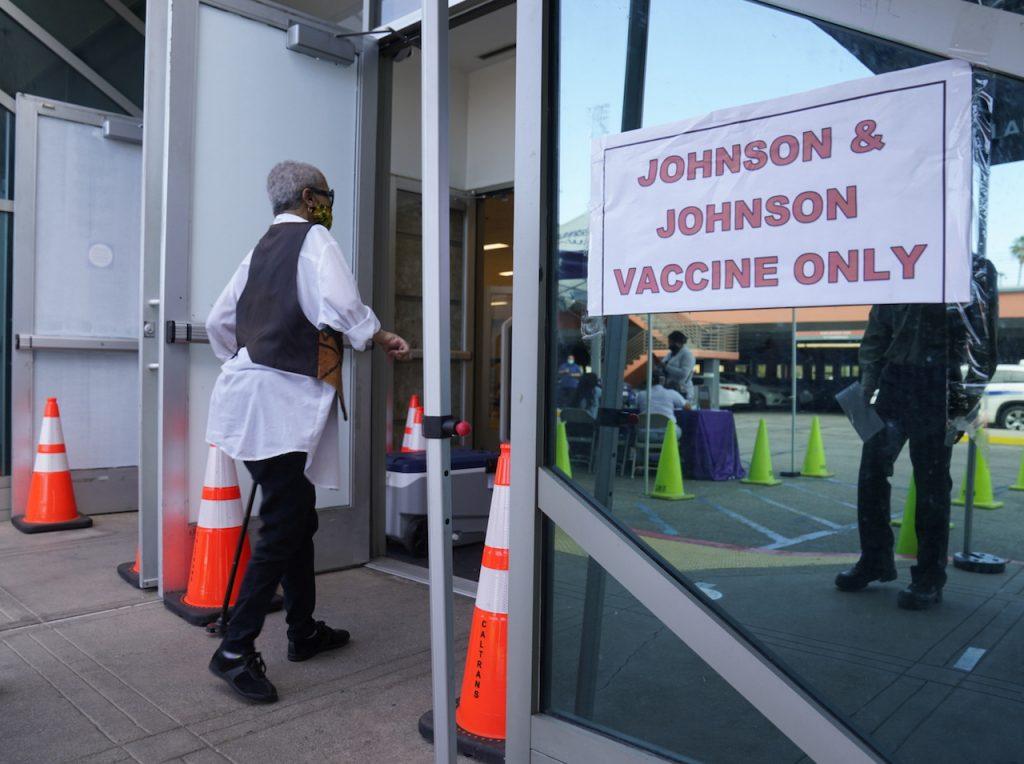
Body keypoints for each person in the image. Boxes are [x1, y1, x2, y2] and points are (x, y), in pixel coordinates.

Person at [205, 161, 410, 702]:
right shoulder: (313, 239)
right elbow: (342, 305)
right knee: (283, 524)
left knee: (296, 516)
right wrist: (378, 334)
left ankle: (303, 630)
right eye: (326, 194)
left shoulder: (258, 251)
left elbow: (217, 323)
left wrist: (250, 361)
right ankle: (234, 649)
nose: (328, 204)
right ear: (307, 196)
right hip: (282, 406)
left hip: (247, 400)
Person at [835, 304, 958, 610]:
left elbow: (982, 345)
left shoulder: (964, 273)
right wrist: (867, 385)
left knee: (932, 486)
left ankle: (930, 576)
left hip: (939, 382)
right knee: (871, 473)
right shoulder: (901, 274)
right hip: (895, 382)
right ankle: (875, 559)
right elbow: (876, 337)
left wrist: (964, 404)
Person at [635, 371, 687, 435]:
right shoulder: (671, 393)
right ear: (663, 380)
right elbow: (688, 407)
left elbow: (637, 406)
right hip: (668, 434)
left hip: (644, 435)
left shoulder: (641, 394)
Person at [660, 331, 696, 404]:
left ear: (678, 343)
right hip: (669, 389)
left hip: (682, 390)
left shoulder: (687, 355)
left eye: (670, 343)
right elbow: (663, 365)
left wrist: (666, 367)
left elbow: (684, 374)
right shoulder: (670, 354)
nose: (669, 345)